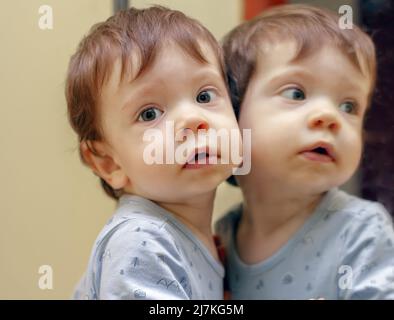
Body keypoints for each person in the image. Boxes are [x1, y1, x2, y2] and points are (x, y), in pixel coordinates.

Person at [216, 4, 394, 299]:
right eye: (296, 93)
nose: (329, 116)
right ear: (232, 115)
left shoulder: (362, 231)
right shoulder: (222, 235)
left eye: (349, 106)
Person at [66, 6, 241, 299]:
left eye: (204, 96)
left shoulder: (201, 236)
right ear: (108, 163)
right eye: (149, 114)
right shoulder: (142, 242)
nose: (191, 119)